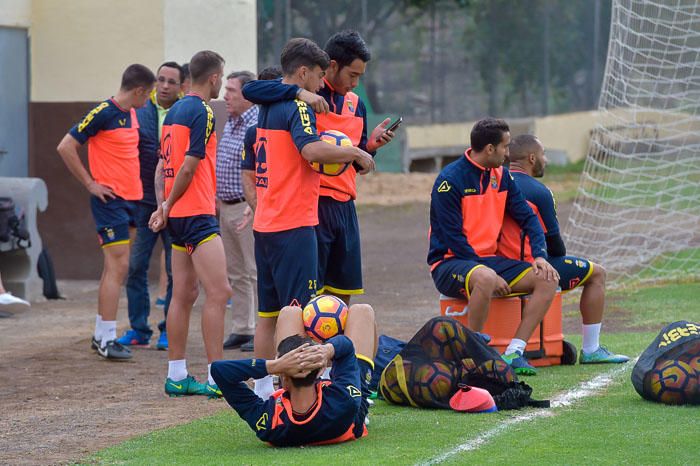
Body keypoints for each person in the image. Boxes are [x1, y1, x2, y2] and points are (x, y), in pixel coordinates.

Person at [241, 37, 375, 398]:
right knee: (299, 314)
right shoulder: (298, 107)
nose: (320, 84)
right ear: (303, 73)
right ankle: (299, 390)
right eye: (317, 76)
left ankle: (264, 387)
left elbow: (255, 87)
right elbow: (311, 149)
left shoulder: (269, 103)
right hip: (294, 224)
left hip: (265, 224)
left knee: (268, 313)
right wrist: (353, 152)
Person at [242, 30, 395, 305]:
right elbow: (253, 89)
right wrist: (300, 92)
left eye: (360, 76)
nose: (355, 83)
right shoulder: (306, 93)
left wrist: (369, 148)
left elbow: (354, 157)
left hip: (345, 207)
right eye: (352, 75)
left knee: (342, 294)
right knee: (310, 299)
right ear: (332, 67)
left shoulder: (356, 104)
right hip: (313, 206)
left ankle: (336, 348)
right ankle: (306, 346)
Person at [428, 118, 560, 376]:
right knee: (487, 279)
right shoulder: (449, 181)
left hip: (487, 262)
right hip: (449, 262)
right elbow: (454, 239)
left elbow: (528, 218)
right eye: (505, 147)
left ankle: (514, 351)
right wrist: (484, 269)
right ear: (489, 149)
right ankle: (473, 354)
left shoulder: (502, 176)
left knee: (547, 278)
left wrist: (541, 257)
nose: (508, 153)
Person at [497, 134, 629, 364]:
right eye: (543, 154)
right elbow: (555, 247)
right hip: (526, 269)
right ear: (531, 158)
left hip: (491, 266)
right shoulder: (538, 192)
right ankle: (591, 349)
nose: (545, 160)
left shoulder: (492, 183)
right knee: (597, 273)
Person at [57, 64, 156, 360]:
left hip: (132, 200)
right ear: (139, 90)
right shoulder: (104, 111)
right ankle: (107, 338)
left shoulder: (133, 114)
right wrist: (90, 183)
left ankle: (101, 334)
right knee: (119, 266)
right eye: (148, 93)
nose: (148, 98)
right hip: (110, 201)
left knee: (115, 267)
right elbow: (65, 146)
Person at [149, 50, 232, 396]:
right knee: (220, 292)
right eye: (222, 78)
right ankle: (217, 378)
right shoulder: (202, 111)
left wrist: (164, 206)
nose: (223, 83)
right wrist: (167, 203)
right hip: (196, 214)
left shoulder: (172, 112)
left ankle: (177, 375)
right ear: (213, 78)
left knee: (182, 294)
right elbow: (187, 166)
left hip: (178, 218)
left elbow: (161, 169)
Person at [211, 303, 377, 447]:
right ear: (320, 370)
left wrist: (275, 365)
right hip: (346, 417)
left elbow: (219, 370)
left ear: (284, 379)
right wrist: (327, 350)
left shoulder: (269, 424)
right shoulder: (344, 401)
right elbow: (346, 347)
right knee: (362, 311)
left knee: (289, 312)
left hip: (325, 407)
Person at [117, 62, 183, 351]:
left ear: (181, 86)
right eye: (161, 80)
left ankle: (169, 329)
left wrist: (169, 204)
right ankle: (139, 329)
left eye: (172, 81)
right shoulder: (138, 111)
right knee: (135, 267)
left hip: (176, 204)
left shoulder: (186, 112)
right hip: (143, 204)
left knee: (175, 271)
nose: (166, 85)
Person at [217, 71, 258, 352]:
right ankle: (242, 328)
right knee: (235, 271)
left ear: (247, 94)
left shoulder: (255, 123)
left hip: (247, 206)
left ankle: (258, 328)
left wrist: (255, 206)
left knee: (253, 269)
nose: (225, 95)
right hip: (225, 206)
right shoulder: (231, 122)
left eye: (231, 90)